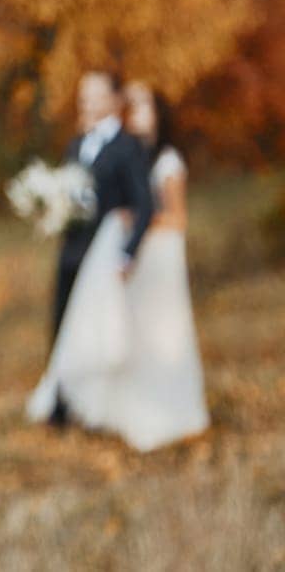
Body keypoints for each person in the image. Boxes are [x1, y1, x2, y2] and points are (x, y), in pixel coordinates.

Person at [31, 69, 155, 428]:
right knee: (61, 324)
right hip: (71, 249)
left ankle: (100, 404)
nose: (87, 100)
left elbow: (143, 204)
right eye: (83, 93)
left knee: (99, 333)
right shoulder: (76, 144)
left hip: (103, 255)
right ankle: (62, 402)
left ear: (116, 99)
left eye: (96, 93)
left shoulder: (128, 146)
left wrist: (127, 252)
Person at [106, 81, 209, 450]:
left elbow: (178, 219)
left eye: (142, 105)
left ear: (159, 113)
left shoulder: (167, 161)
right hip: (144, 255)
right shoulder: (135, 158)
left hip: (163, 256)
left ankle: (176, 413)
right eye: (130, 106)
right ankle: (140, 409)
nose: (135, 113)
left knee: (166, 331)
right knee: (141, 333)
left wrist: (139, 221)